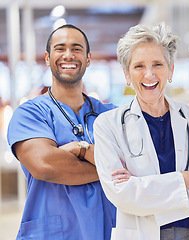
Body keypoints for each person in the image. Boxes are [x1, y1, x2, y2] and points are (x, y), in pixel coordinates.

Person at [93, 23, 189, 240]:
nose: (149, 74)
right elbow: (121, 194)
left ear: (171, 69)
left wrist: (142, 189)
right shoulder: (108, 125)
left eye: (158, 64)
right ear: (126, 74)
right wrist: (187, 179)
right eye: (139, 66)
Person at [7, 24, 116, 240]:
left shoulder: (110, 114)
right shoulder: (29, 114)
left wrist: (75, 151)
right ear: (47, 58)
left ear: (88, 58)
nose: (69, 55)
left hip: (107, 230)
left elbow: (134, 165)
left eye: (76, 49)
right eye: (60, 48)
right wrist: (108, 168)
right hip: (53, 233)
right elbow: (45, 164)